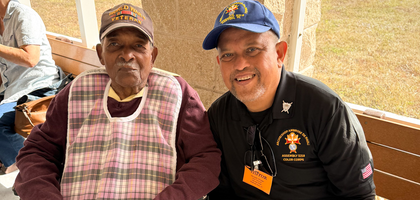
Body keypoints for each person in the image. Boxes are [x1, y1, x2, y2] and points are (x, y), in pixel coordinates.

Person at [14, 3, 221, 200]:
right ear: (100, 54)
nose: (127, 55)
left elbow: (205, 159)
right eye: (114, 44)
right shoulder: (77, 92)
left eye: (139, 46)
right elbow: (37, 152)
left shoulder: (176, 93)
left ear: (153, 55)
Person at [202, 0, 376, 199]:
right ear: (219, 62)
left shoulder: (324, 110)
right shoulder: (218, 115)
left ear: (279, 53)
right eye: (228, 55)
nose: (240, 64)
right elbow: (220, 192)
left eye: (252, 49)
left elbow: (358, 195)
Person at [0, 0, 61, 174]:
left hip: (39, 87)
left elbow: (30, 58)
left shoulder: (23, 16)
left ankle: (31, 172)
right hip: (12, 91)